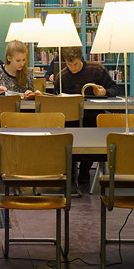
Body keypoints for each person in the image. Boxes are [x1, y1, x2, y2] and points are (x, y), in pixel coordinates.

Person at [49, 45, 120, 185]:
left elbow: (116, 89)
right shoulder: (61, 76)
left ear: (81, 58)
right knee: (64, 135)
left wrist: (104, 92)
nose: (73, 68)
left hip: (91, 116)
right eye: (69, 65)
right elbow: (55, 101)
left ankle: (84, 169)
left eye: (75, 64)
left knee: (92, 131)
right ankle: (69, 170)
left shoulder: (96, 70)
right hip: (69, 119)